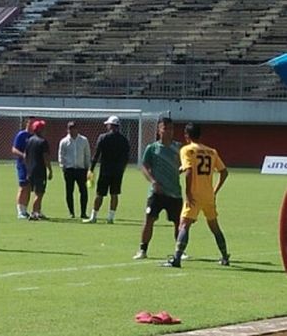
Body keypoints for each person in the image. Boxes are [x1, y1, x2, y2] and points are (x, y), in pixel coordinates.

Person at [164, 122, 230, 268]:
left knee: (184, 225)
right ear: (200, 135)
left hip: (194, 194)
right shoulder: (212, 151)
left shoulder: (187, 150)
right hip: (208, 195)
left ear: (187, 135)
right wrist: (215, 190)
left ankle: (177, 259)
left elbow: (189, 171)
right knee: (214, 226)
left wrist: (188, 192)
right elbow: (224, 172)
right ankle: (225, 257)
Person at [133, 117, 183, 259]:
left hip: (174, 192)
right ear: (159, 130)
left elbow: (184, 164)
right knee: (149, 219)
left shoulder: (178, 147)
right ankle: (142, 249)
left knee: (178, 222)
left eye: (171, 128)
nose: (168, 131)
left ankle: (180, 250)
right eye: (165, 128)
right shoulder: (152, 148)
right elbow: (144, 166)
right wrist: (153, 181)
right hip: (157, 193)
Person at [84, 115, 130, 224]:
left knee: (99, 194)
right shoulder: (124, 140)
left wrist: (91, 169)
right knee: (114, 194)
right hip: (118, 172)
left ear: (110, 126)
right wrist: (122, 169)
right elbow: (126, 157)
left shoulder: (103, 137)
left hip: (105, 171)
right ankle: (110, 218)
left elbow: (96, 155)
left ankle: (93, 217)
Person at [57, 121, 91, 219]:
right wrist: (62, 166)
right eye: (70, 128)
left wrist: (87, 167)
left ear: (77, 129)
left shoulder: (83, 140)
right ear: (67, 129)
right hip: (69, 169)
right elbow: (61, 155)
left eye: (74, 128)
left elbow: (87, 154)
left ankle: (83, 212)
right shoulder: (64, 141)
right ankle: (71, 212)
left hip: (81, 169)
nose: (72, 130)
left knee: (83, 191)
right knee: (69, 191)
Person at [24, 120, 53, 220]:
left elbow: (25, 155)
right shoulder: (43, 142)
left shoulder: (29, 140)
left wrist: (28, 167)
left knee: (36, 192)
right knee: (39, 193)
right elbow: (46, 157)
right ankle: (34, 213)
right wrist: (50, 169)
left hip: (30, 170)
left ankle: (38, 212)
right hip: (39, 170)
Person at [11, 116, 36, 219]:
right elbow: (14, 149)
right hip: (22, 165)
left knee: (29, 187)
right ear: (27, 124)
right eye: (30, 123)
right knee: (23, 187)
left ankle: (25, 210)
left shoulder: (35, 136)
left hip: (32, 166)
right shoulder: (22, 135)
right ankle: (20, 211)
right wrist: (23, 155)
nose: (31, 125)